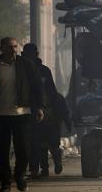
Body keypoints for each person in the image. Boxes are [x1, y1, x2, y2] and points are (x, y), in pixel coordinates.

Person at [0, 37, 44, 192]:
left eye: (15, 47)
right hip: (0, 114)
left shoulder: (26, 65)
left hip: (22, 113)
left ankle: (20, 177)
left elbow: (37, 87)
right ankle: (5, 183)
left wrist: (39, 107)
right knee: (2, 150)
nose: (13, 50)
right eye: (9, 47)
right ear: (1, 49)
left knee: (23, 148)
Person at [22, 43, 71, 179]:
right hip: (30, 112)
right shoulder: (22, 71)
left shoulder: (44, 70)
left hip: (48, 113)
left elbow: (52, 92)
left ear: (35, 55)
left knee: (52, 143)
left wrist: (55, 111)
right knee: (36, 142)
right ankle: (42, 169)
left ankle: (57, 159)